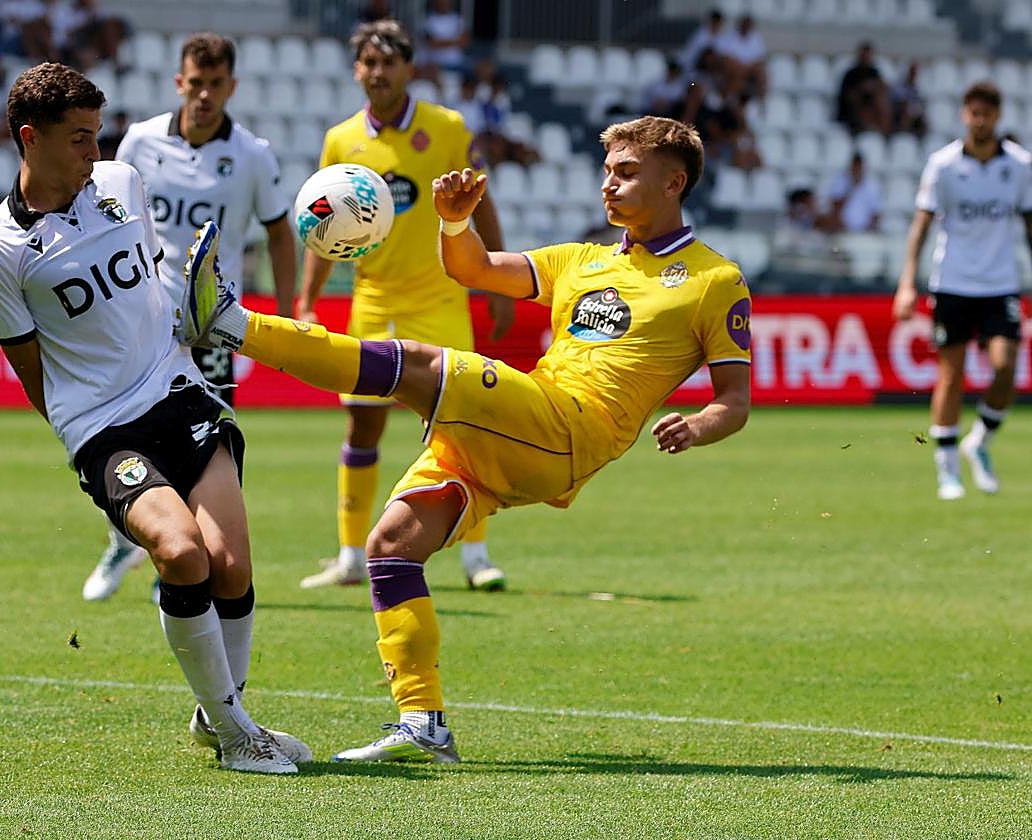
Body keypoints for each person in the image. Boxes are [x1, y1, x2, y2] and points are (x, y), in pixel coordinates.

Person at [181, 114, 752, 761]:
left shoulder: (714, 280)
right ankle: (424, 723)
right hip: (519, 434)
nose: (608, 186)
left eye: (625, 173)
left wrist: (698, 424)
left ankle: (230, 321)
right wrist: (454, 219)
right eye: (606, 171)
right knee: (391, 546)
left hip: (569, 426)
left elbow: (735, 401)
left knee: (417, 364)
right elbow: (473, 267)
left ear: (675, 181)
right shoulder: (583, 261)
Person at [0, 61, 309, 773]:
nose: (97, 153)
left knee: (233, 567)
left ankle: (222, 716)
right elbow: (29, 366)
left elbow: (156, 281)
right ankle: (238, 732)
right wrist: (79, 437)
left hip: (179, 391)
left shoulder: (121, 184)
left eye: (98, 134)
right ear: (30, 139)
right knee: (181, 554)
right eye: (80, 139)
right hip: (103, 428)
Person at [71, 34, 298, 603]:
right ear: (179, 82)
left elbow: (278, 231)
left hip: (214, 323)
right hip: (143, 320)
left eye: (215, 84)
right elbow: (105, 213)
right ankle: (126, 540)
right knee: (132, 434)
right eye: (195, 82)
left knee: (211, 443)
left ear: (231, 87)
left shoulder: (251, 154)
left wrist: (289, 312)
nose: (203, 95)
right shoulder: (141, 142)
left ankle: (191, 558)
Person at [296, 19, 513, 592]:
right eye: (367, 62)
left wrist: (494, 275)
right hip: (373, 298)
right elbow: (323, 227)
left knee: (461, 426)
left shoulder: (446, 127)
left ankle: (475, 557)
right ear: (355, 70)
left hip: (440, 296)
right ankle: (347, 554)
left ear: (409, 68)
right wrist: (308, 301)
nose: (377, 72)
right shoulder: (342, 140)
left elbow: (479, 202)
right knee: (363, 422)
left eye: (388, 62)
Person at [893, 81, 1031, 500]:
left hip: (1000, 283)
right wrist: (907, 283)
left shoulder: (1021, 166)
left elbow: (1029, 226)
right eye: (974, 112)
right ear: (964, 115)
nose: (980, 119)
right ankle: (947, 469)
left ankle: (980, 442)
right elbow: (921, 227)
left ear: (997, 115)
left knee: (1006, 367)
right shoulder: (943, 165)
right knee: (951, 376)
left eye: (987, 113)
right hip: (952, 283)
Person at [836, 41, 891, 135]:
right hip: (854, 109)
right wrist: (862, 89)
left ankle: (883, 130)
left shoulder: (874, 72)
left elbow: (882, 87)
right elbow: (846, 95)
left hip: (871, 104)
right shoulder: (851, 74)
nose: (866, 57)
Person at [822, 152, 882, 232]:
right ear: (851, 166)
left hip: (864, 232)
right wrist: (850, 189)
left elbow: (875, 212)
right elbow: (835, 208)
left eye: (859, 167)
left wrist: (869, 229)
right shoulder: (840, 182)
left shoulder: (872, 186)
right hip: (842, 229)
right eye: (855, 167)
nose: (857, 170)